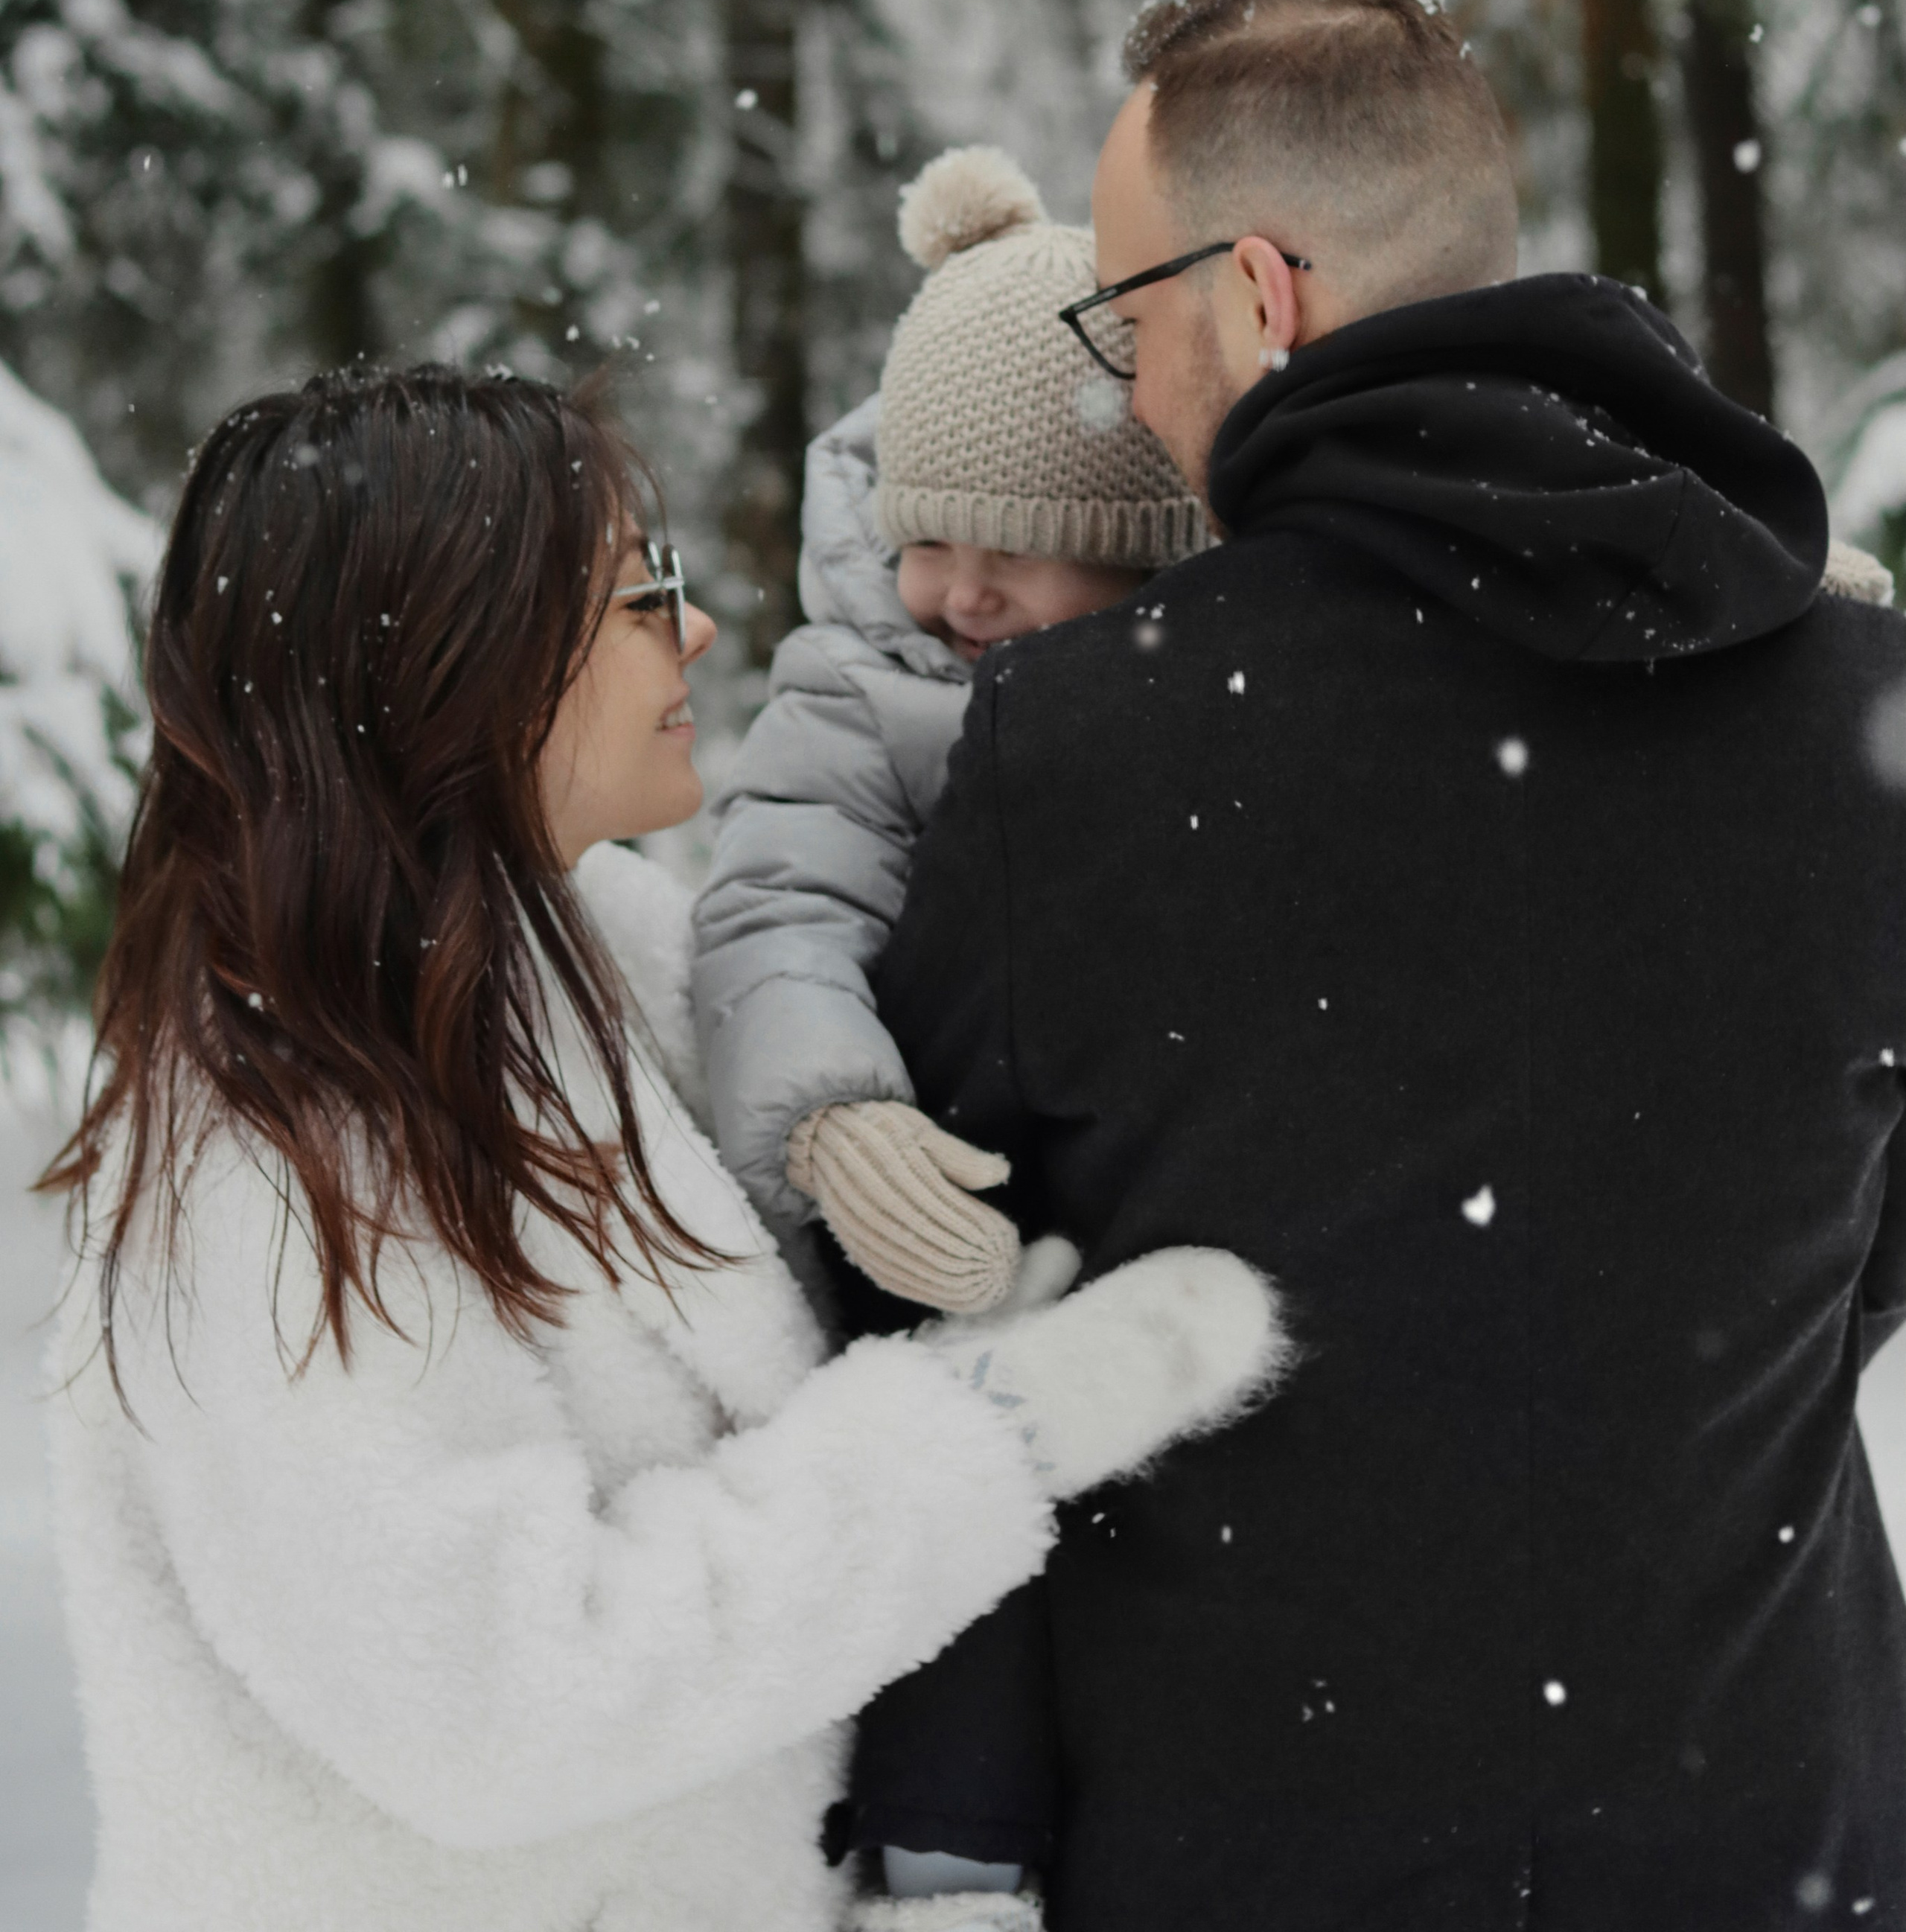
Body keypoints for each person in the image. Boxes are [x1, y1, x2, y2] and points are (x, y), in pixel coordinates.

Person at [870, 0, 1906, 1931]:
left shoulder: (1084, 752)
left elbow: (947, 1320)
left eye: (1126, 319)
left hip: (1246, 1843)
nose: (1128, 389)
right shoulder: (1867, 719)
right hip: (1772, 1828)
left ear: (1258, 296)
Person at [38, 363, 1284, 1932]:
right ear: (460, 658)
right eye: (643, 596)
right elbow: (494, 1700)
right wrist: (995, 1429)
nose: (693, 633)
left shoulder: (596, 961)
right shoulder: (271, 1163)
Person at [692, 142, 1201, 1307]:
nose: (963, 595)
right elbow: (780, 904)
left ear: (1141, 556)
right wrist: (832, 1120)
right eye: (926, 543)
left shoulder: (1210, 681)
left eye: (1016, 553)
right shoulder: (861, 690)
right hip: (945, 1182)